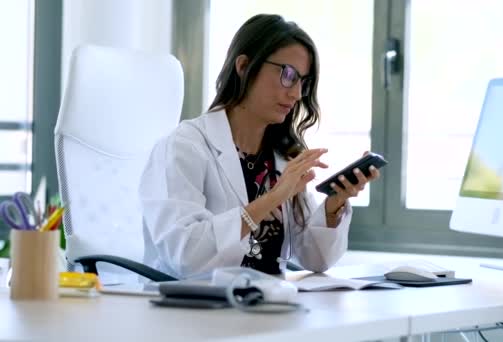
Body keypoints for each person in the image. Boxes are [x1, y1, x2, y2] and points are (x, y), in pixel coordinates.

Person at [139, 14, 380, 279]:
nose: (297, 94)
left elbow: (315, 259)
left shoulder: (281, 155)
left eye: (303, 81)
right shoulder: (183, 147)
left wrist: (334, 205)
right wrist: (273, 198)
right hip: (194, 310)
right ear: (244, 66)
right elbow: (185, 256)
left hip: (265, 306)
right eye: (288, 75)